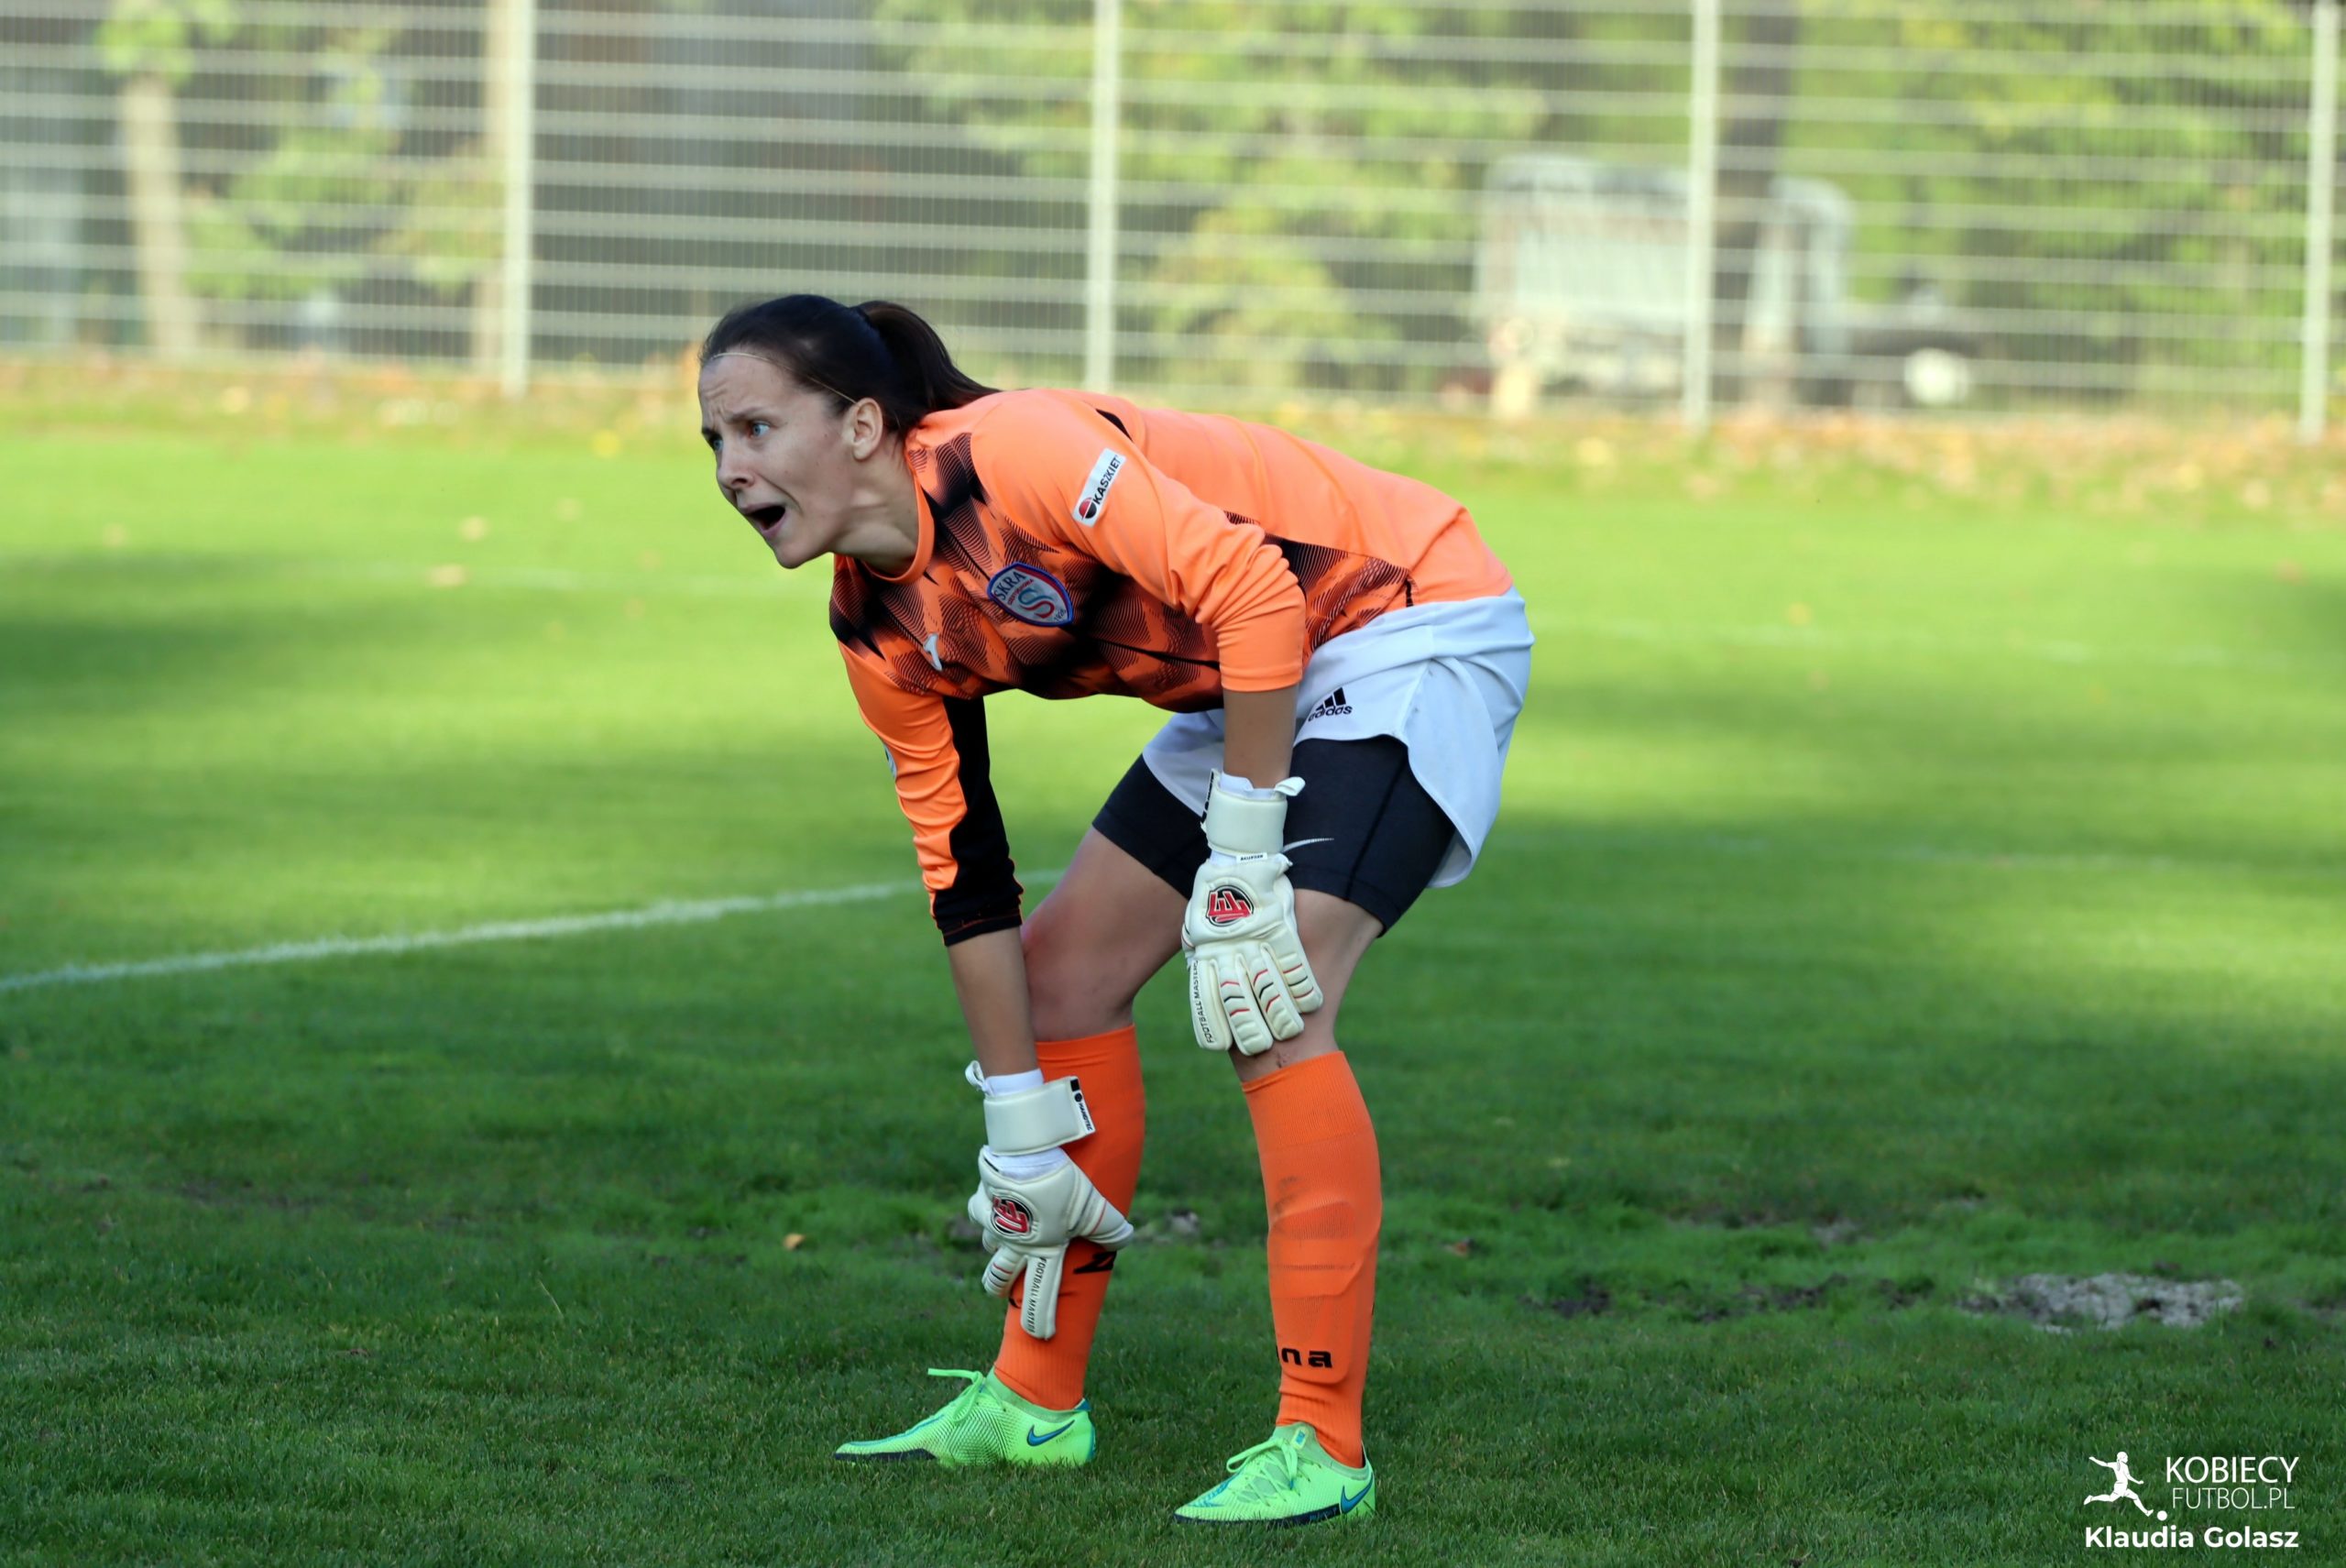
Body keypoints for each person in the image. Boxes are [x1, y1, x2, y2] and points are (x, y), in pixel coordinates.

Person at [696, 294, 1531, 1526]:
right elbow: (965, 875)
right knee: (1061, 980)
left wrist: (1242, 855)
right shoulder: (875, 627)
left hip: (1403, 615)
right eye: (714, 440)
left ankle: (1323, 1446)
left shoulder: (1017, 454)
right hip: (1250, 674)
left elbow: (1255, 591)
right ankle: (1034, 1405)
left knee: (1268, 989)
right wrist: (1019, 1124)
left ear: (862, 424)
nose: (731, 468)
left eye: (757, 428)